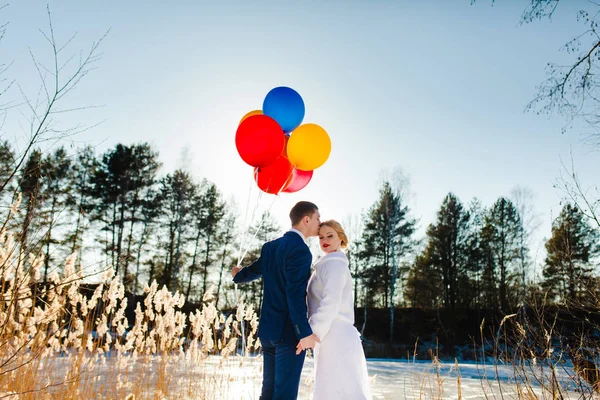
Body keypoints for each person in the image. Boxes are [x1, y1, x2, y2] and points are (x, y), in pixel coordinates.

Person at [231, 201, 321, 400]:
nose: (319, 223)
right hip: (289, 335)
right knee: (284, 395)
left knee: (269, 391)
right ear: (306, 219)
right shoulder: (301, 250)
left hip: (268, 332)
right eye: (317, 218)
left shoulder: (271, 247)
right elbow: (295, 294)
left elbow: (253, 271)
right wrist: (304, 333)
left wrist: (238, 276)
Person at [299, 220, 372, 400]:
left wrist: (312, 332)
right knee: (334, 387)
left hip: (335, 332)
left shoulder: (335, 264)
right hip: (330, 334)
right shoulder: (327, 264)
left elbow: (331, 301)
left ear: (341, 238)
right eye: (321, 237)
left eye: (330, 236)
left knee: (340, 388)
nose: (324, 240)